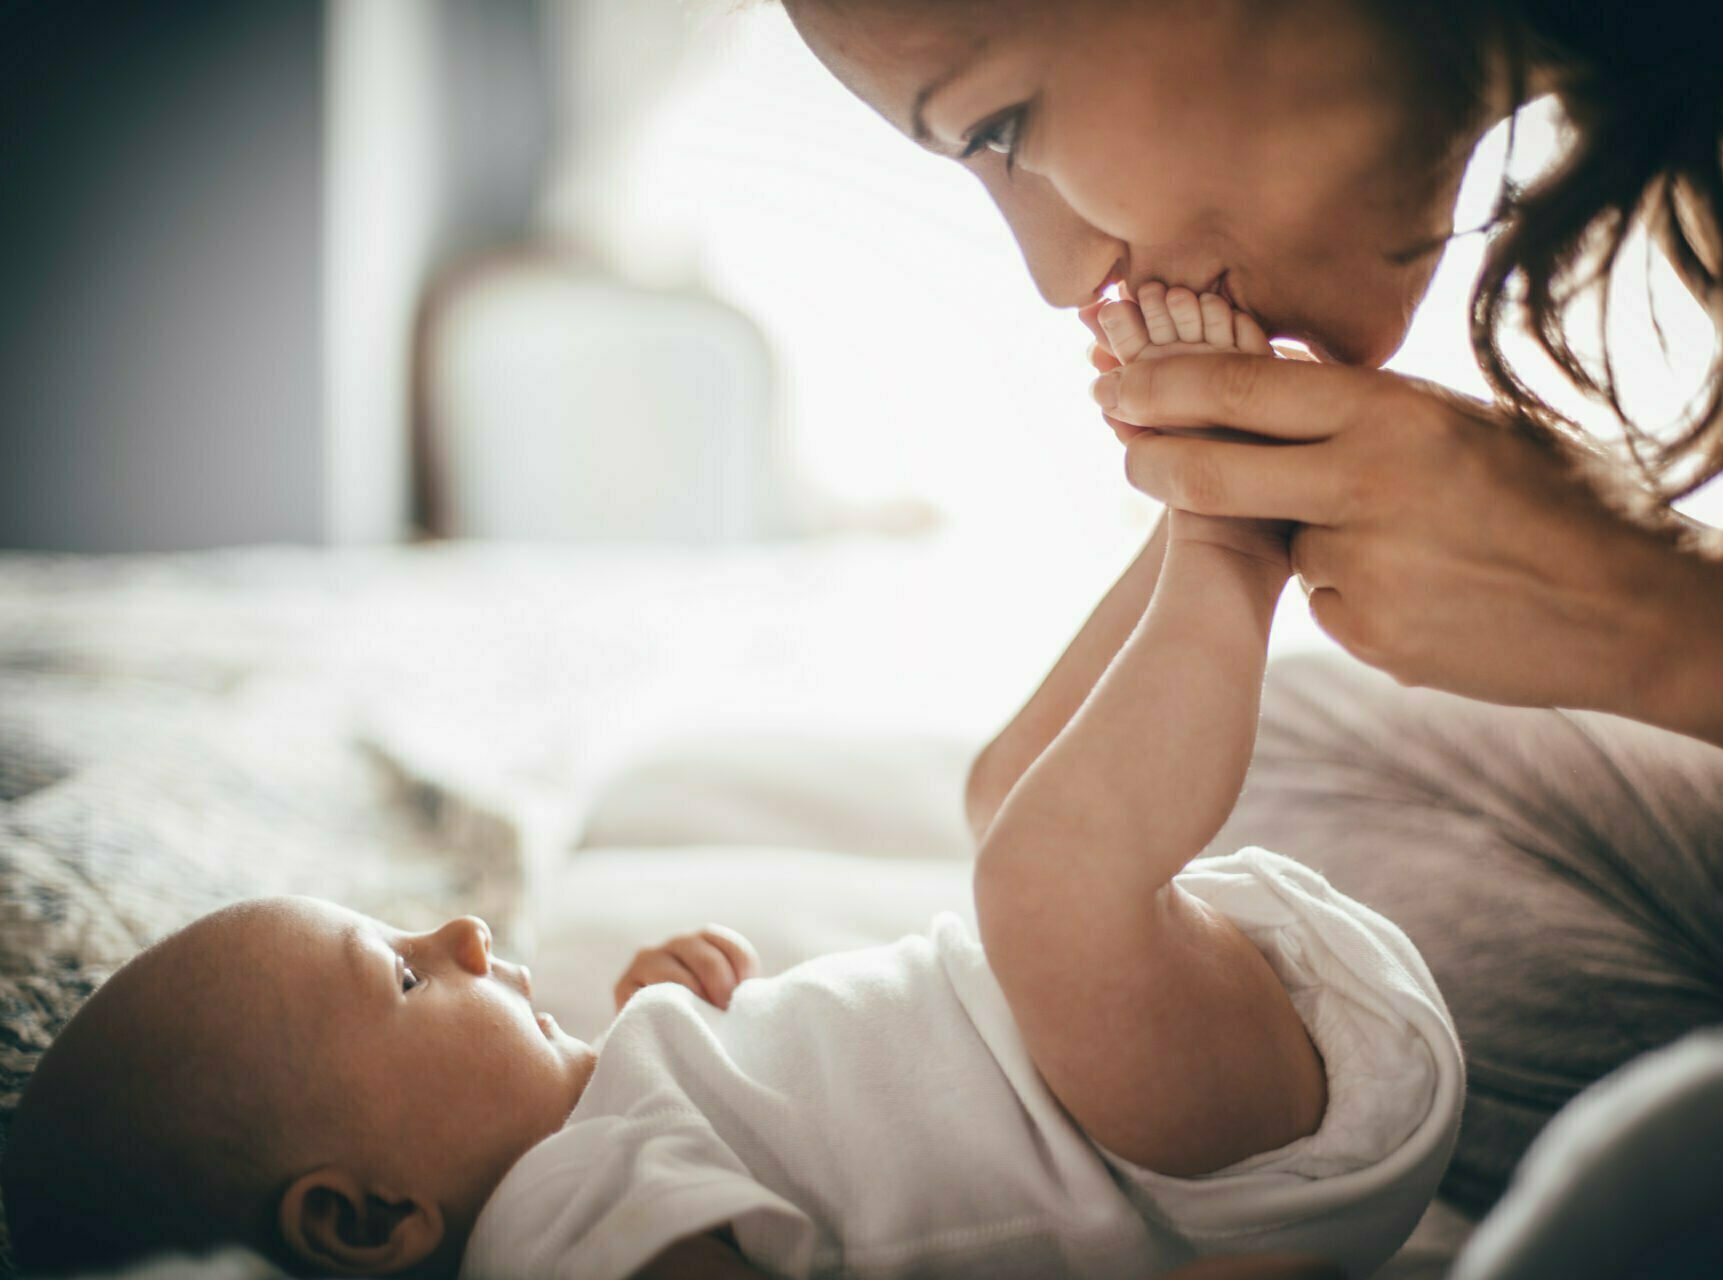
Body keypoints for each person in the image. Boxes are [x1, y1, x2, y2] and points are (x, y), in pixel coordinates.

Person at [3, 298, 1463, 1279]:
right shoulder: (563, 1233)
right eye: (395, 978)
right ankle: (1228, 543)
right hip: (1168, 1146)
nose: (453, 936)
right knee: (1040, 882)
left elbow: (781, 1131)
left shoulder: (595, 1136)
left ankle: (1193, 516)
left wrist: (671, 1014)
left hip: (1130, 1044)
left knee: (1004, 798)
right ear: (368, 1218)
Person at [784, 0, 1723, 1218]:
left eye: (1002, 123)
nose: (1064, 273)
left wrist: (1657, 607)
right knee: (1083, 809)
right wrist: (1226, 536)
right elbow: (1022, 806)